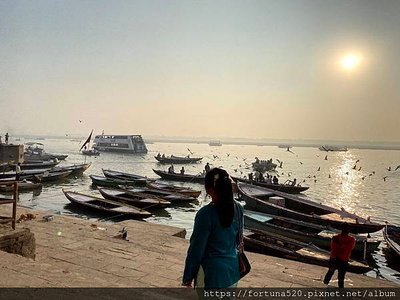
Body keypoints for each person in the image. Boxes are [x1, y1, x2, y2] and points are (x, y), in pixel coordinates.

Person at [182, 168, 243, 292]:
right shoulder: (238, 208)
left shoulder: (206, 214)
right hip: (232, 270)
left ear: (209, 189)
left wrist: (188, 276)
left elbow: (196, 249)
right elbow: (239, 240)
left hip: (211, 274)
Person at [323, 222, 355, 288]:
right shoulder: (350, 240)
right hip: (340, 260)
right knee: (336, 275)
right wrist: (342, 245)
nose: (347, 230)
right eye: (346, 228)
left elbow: (346, 248)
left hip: (338, 259)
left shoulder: (336, 238)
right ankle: (327, 286)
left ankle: (325, 286)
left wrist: (339, 244)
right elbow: (346, 248)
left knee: (336, 276)